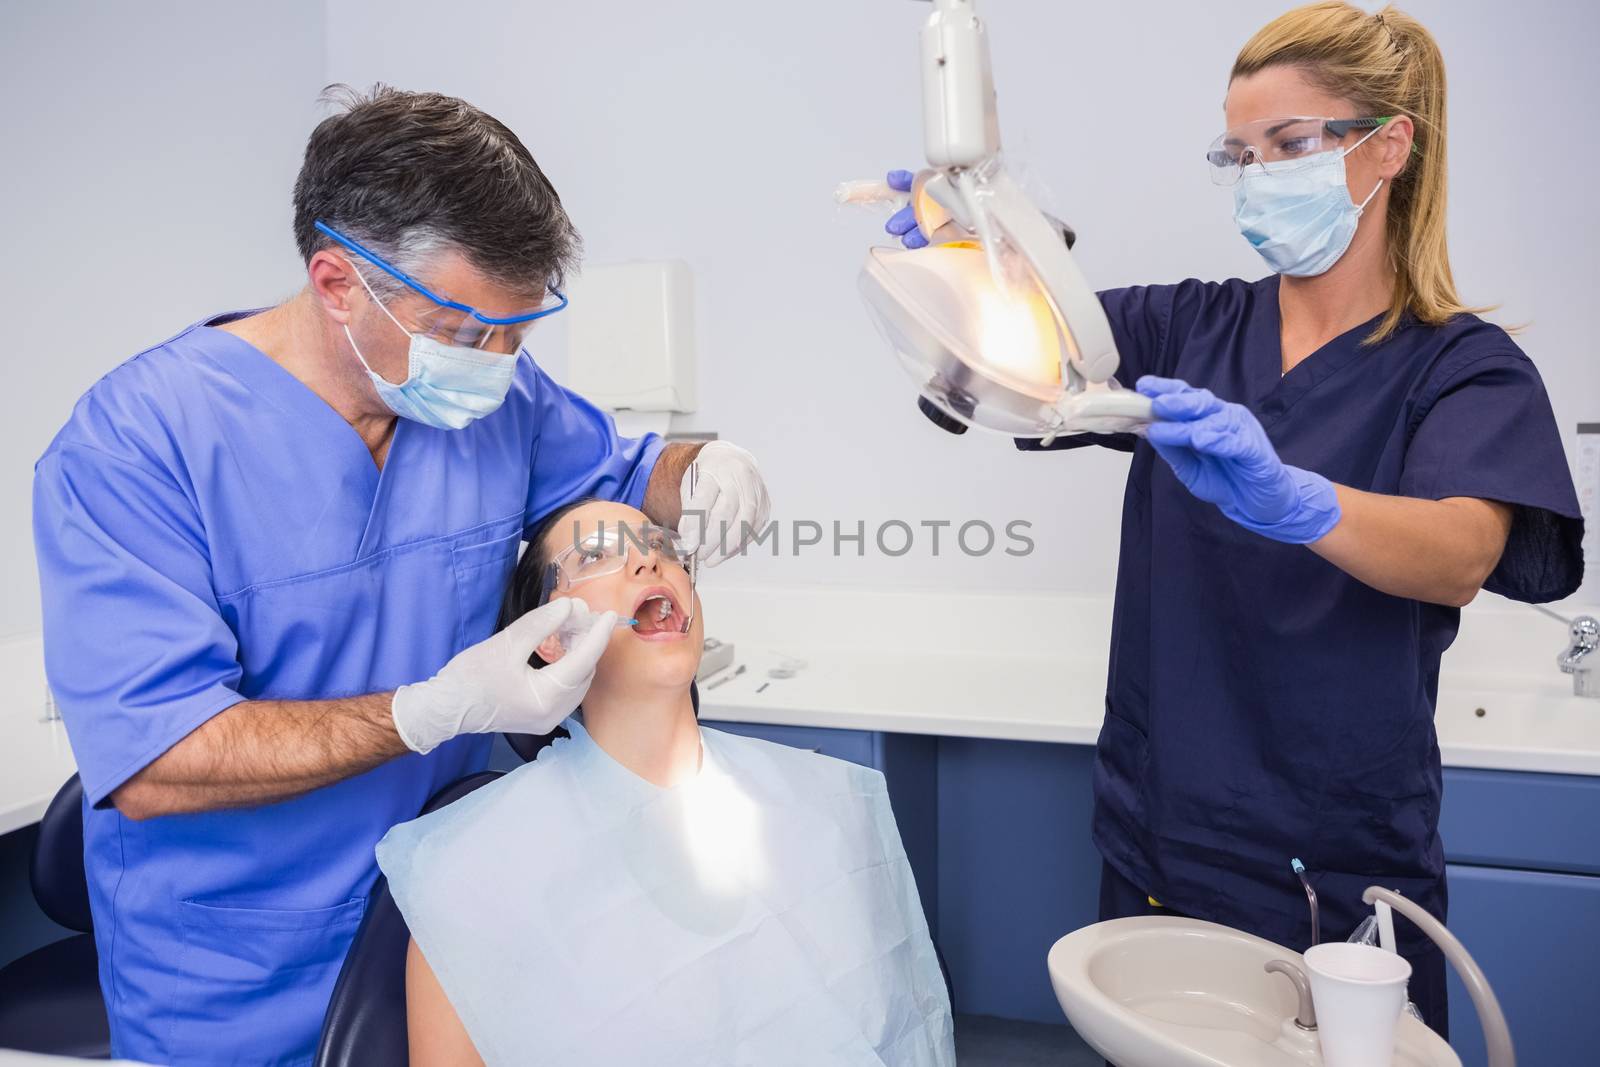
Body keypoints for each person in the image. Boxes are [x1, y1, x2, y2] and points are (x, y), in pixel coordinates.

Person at [879, 1, 1585, 1037]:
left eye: (1289, 145)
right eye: (1238, 152)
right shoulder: (1186, 325)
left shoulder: (1463, 366)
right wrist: (984, 245)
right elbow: (999, 367)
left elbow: (1459, 553)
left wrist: (1299, 501)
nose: (1258, 175)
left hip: (1334, 868)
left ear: (1388, 146)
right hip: (1157, 836)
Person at [31, 86, 771, 1065]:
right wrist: (433, 708)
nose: (498, 361)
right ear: (338, 281)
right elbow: (155, 761)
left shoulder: (493, 398)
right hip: (237, 970)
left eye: (520, 329)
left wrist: (704, 468)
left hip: (443, 913)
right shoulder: (137, 446)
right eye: (466, 331)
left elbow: (628, 476)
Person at [378, 498, 955, 1066]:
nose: (648, 562)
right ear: (548, 638)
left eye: (662, 548)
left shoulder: (827, 805)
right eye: (598, 556)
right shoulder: (470, 873)